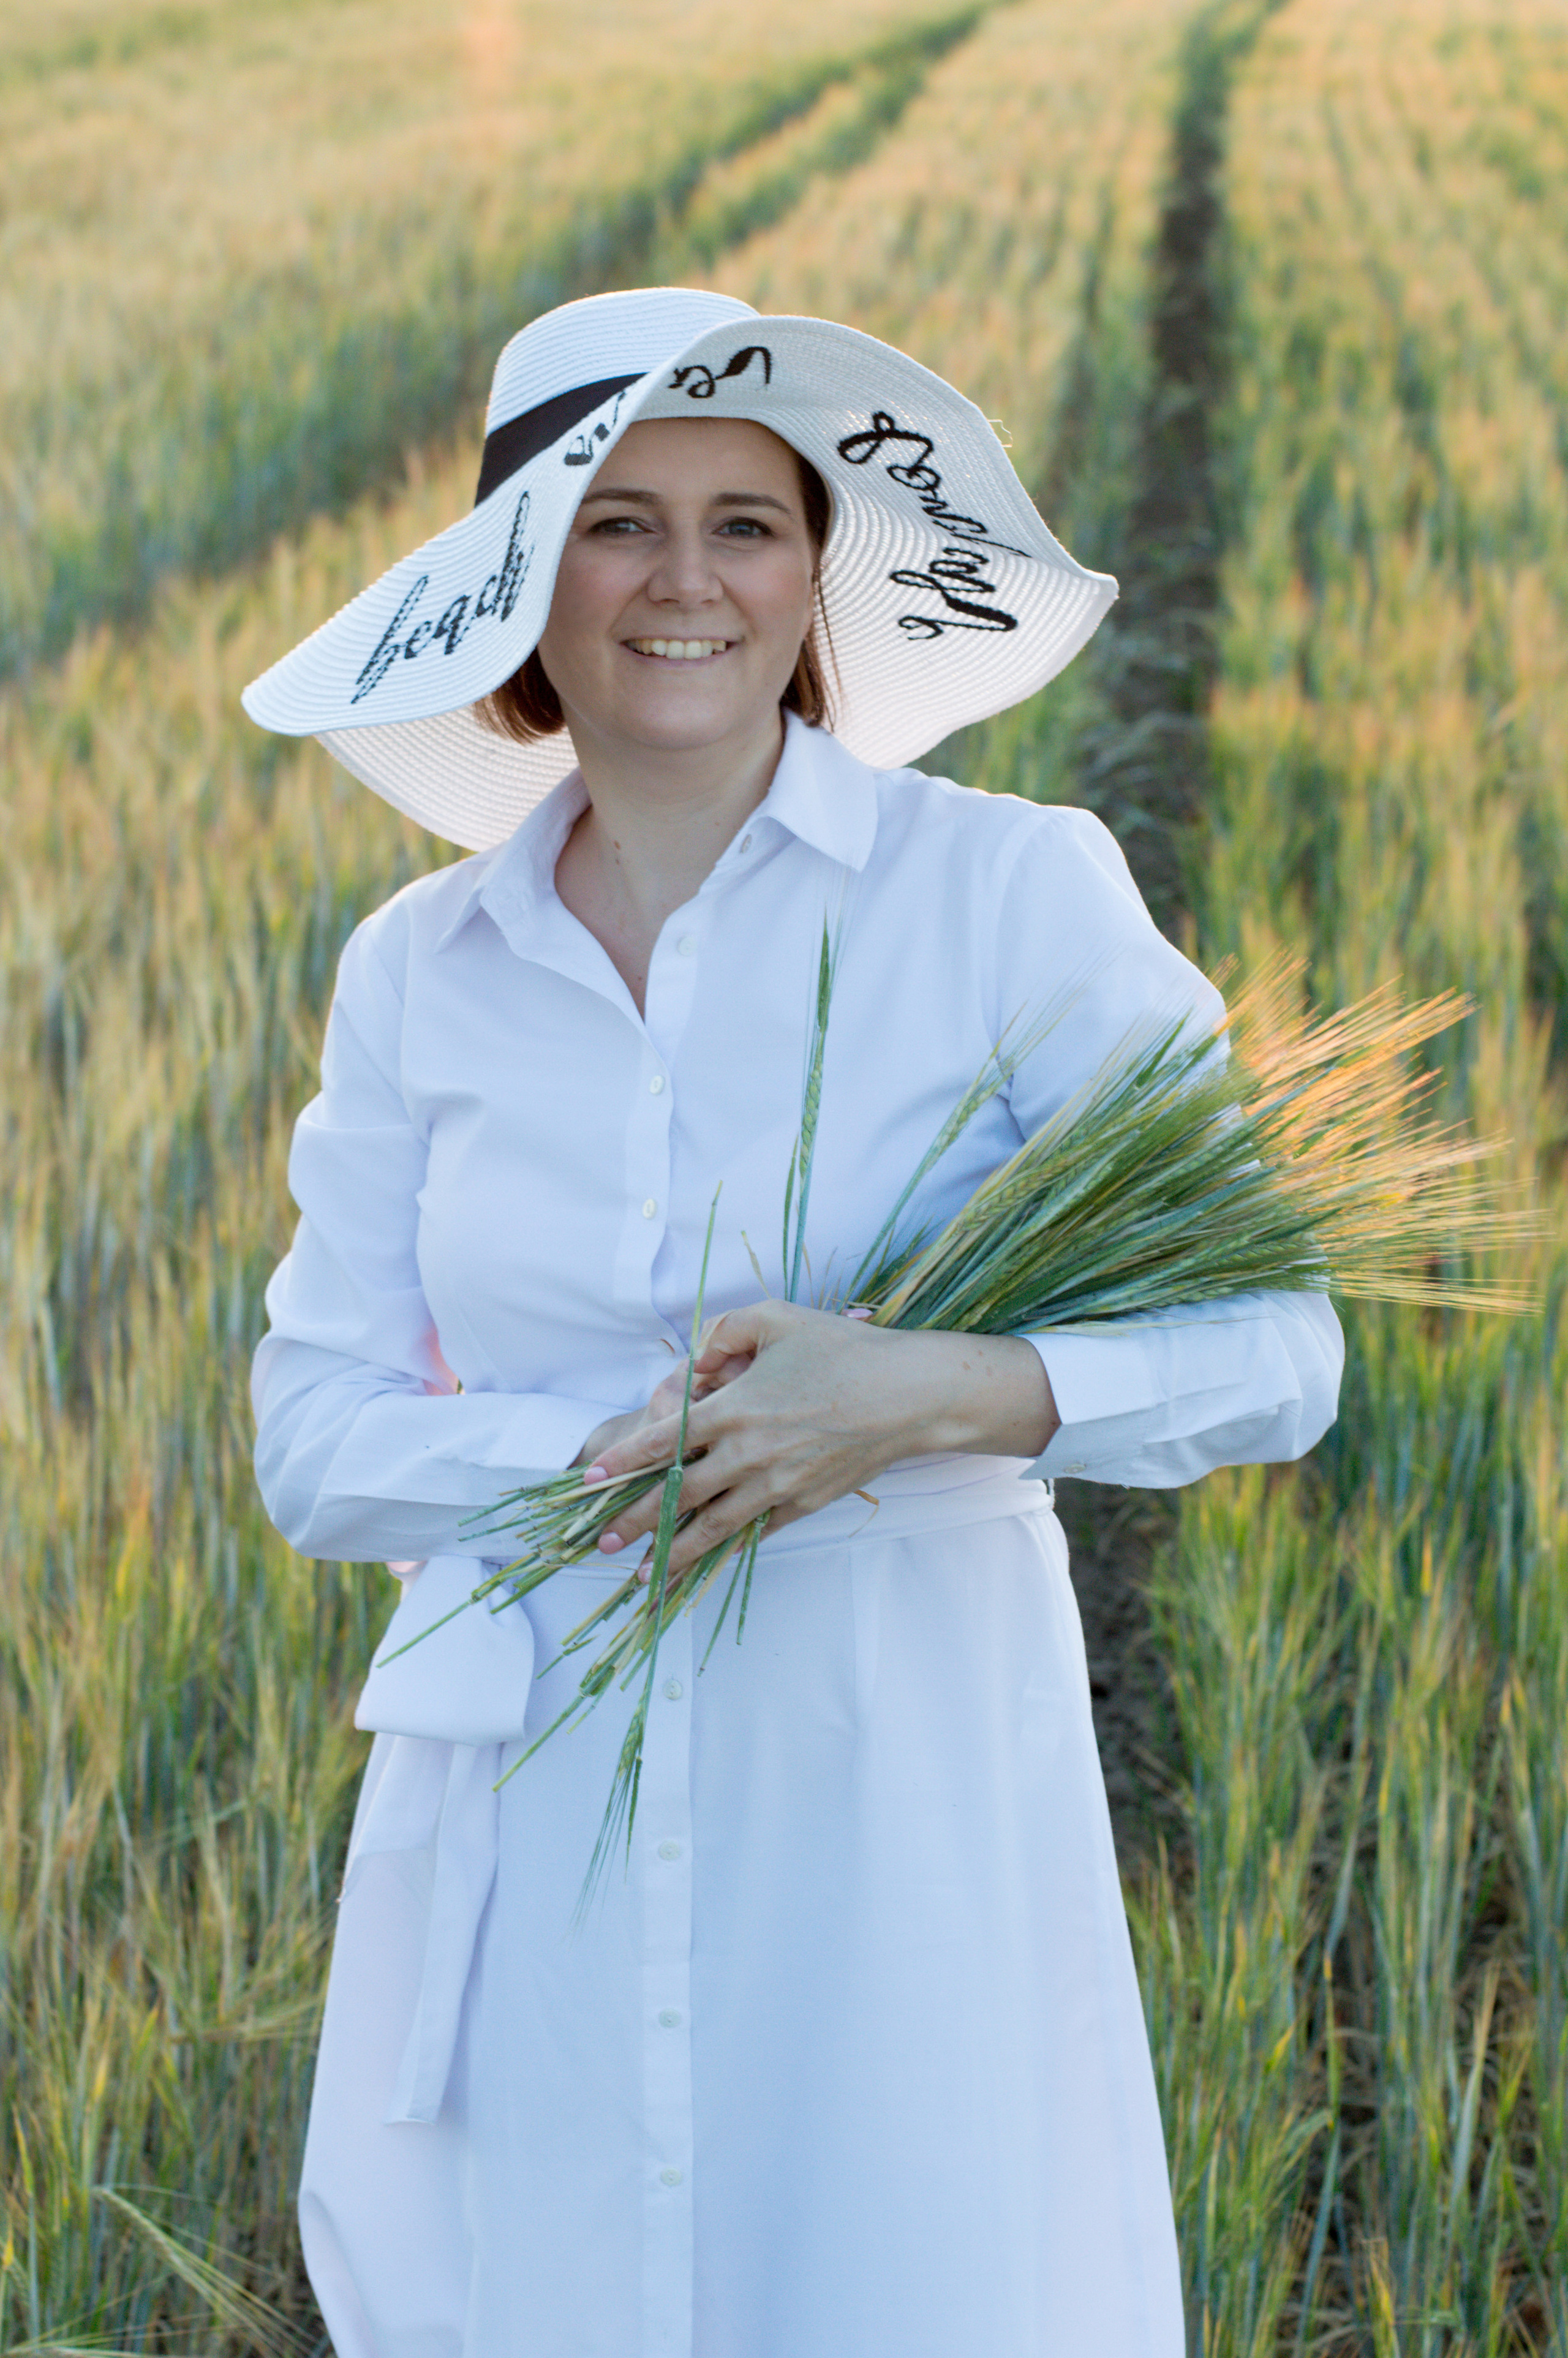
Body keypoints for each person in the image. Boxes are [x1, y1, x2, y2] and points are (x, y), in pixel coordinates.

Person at [245, 286, 1342, 2358]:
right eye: (615, 521)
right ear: (521, 584)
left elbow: (1279, 1342)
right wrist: (630, 1453)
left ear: (815, 570)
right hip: (530, 1788)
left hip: (898, 1787)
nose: (685, 582)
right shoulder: (420, 968)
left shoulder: (1010, 894)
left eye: (746, 523)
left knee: (906, 2280)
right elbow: (314, 1427)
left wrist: (926, 1394)